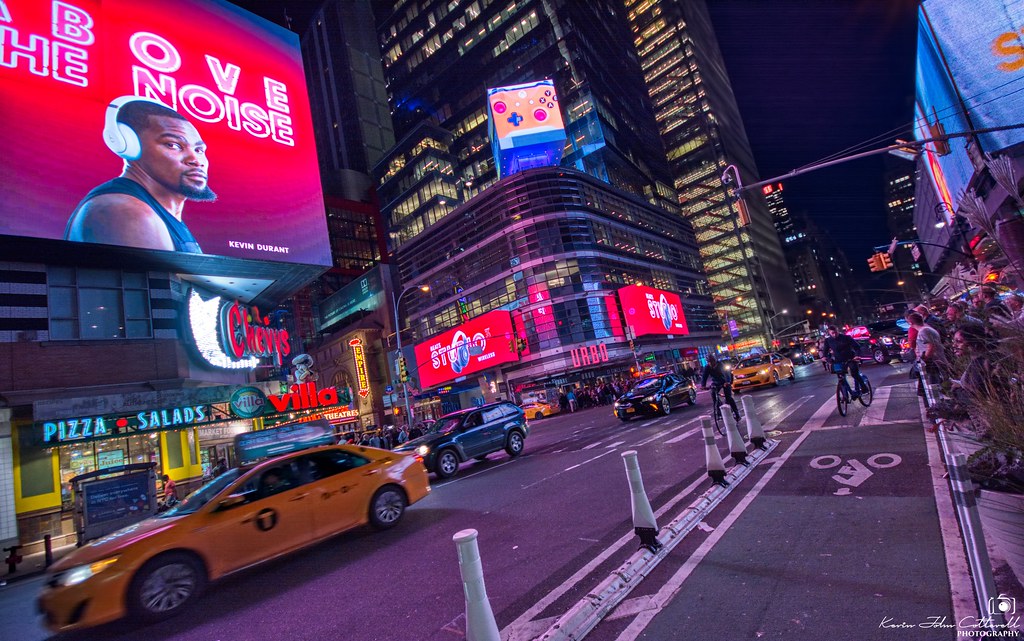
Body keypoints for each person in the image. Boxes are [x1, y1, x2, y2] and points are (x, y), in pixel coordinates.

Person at [64, 96, 215, 253]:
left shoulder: (155, 210)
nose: (196, 160)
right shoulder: (126, 212)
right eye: (173, 145)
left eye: (199, 150)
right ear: (129, 145)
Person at [822, 326, 866, 398]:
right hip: (838, 360)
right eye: (832, 333)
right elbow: (825, 350)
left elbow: (857, 347)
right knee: (841, 378)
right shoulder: (828, 340)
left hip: (851, 358)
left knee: (854, 373)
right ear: (829, 333)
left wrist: (857, 355)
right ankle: (846, 395)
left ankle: (864, 387)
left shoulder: (846, 337)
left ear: (838, 330)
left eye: (836, 332)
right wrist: (824, 357)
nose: (834, 334)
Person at [909, 312, 947, 384]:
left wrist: (924, 359)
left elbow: (931, 346)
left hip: (933, 364)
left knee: (935, 386)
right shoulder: (927, 329)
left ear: (910, 323)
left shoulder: (924, 331)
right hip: (935, 363)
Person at [701, 353, 740, 421]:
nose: (710, 363)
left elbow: (727, 373)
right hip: (716, 382)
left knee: (729, 397)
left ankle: (737, 413)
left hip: (725, 381)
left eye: (711, 361)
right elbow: (704, 376)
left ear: (714, 360)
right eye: (709, 362)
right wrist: (703, 385)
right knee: (714, 396)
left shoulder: (721, 365)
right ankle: (719, 413)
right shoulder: (707, 367)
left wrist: (727, 382)